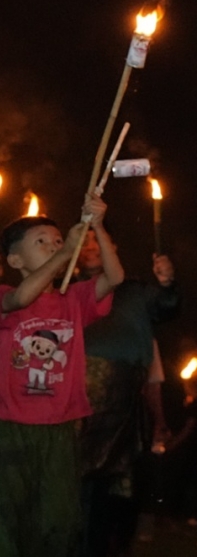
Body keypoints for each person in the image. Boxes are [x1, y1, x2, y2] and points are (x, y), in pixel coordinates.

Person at [1, 195, 124, 556]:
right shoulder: (6, 295)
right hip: (10, 427)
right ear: (14, 259)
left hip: (61, 427)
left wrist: (97, 225)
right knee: (9, 514)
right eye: (41, 241)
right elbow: (23, 297)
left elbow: (114, 276)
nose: (55, 245)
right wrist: (63, 253)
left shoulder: (75, 299)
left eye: (58, 240)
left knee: (59, 517)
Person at [77, 230, 181, 557]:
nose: (92, 247)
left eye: (98, 239)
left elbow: (167, 306)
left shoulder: (133, 290)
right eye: (85, 241)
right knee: (80, 484)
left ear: (113, 245)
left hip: (122, 401)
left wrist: (167, 283)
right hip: (77, 401)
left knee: (117, 487)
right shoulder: (65, 289)